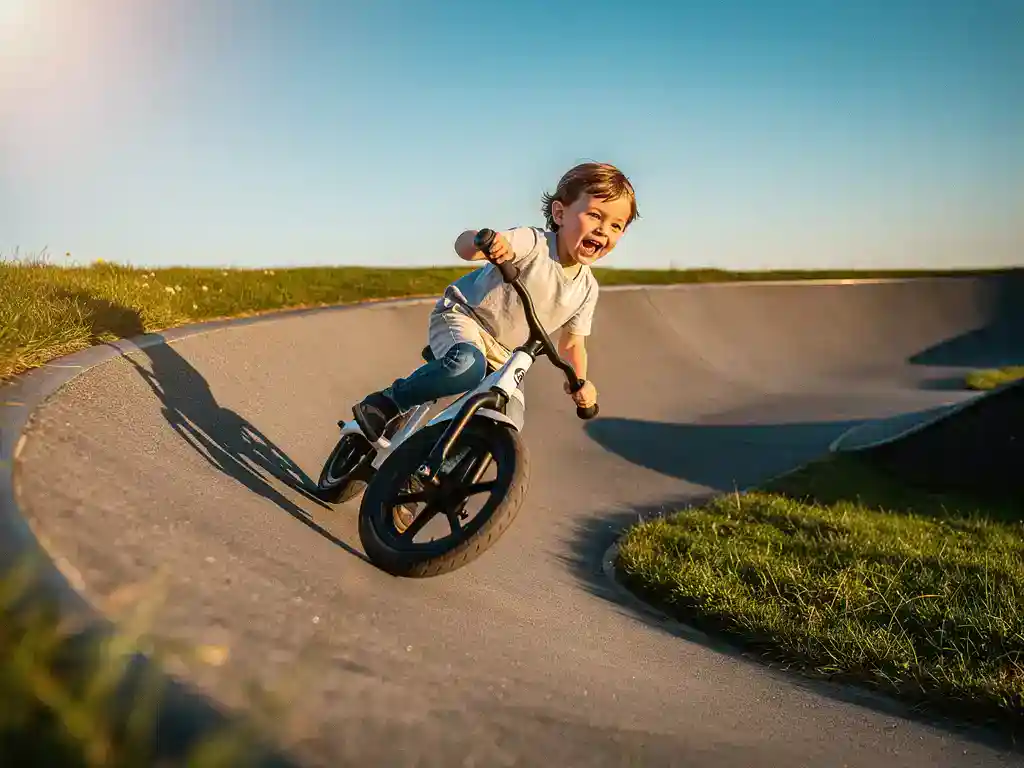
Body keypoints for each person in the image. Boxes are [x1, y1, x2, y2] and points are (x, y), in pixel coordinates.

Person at [351, 161, 640, 443]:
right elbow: (464, 246)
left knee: (509, 418)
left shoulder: (587, 289)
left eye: (616, 225)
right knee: (466, 366)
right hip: (466, 320)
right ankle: (387, 403)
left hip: (507, 358)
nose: (604, 229)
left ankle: (442, 471)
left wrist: (581, 381)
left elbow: (574, 344)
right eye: (595, 215)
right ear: (560, 213)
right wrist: (484, 242)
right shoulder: (533, 243)